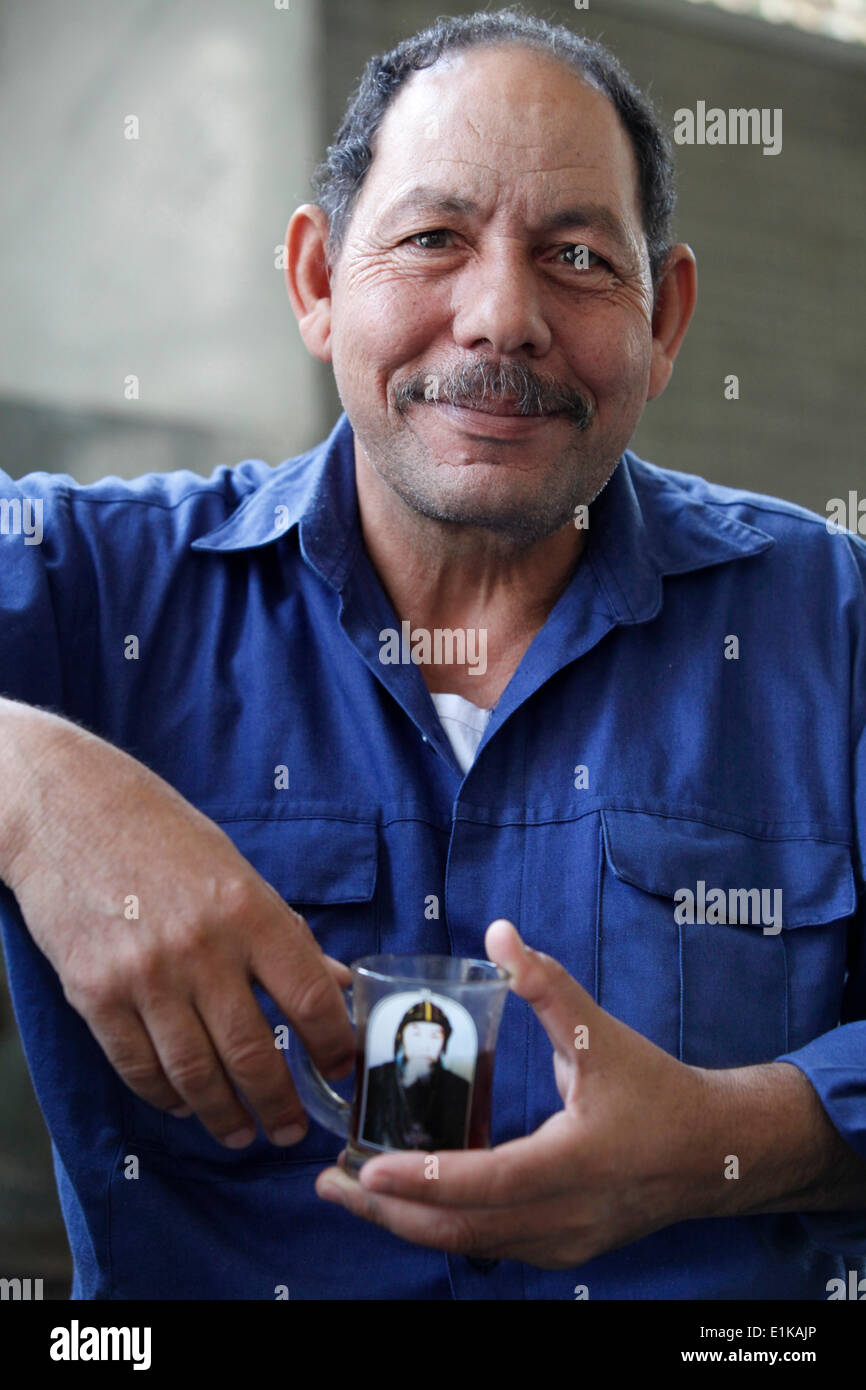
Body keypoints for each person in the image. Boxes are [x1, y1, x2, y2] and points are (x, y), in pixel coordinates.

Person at [0, 6, 864, 1300]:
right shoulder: (94, 588)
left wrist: (736, 1139)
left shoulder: (824, 622)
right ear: (314, 281)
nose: (501, 317)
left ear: (664, 316)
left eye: (575, 255)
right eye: (432, 239)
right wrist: (29, 782)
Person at [361, 1001, 471, 1151]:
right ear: (401, 1038)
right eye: (416, 1034)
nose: (424, 1045)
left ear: (444, 1042)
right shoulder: (376, 1077)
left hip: (438, 1169)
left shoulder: (460, 1087)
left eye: (434, 1036)